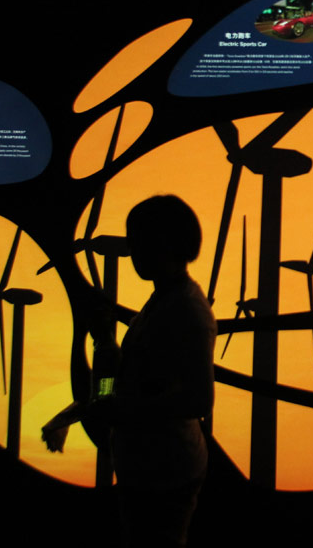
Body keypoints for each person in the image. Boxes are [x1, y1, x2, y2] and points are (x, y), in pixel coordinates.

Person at [43, 194, 216, 548]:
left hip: (165, 473)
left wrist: (123, 410)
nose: (130, 250)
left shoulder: (187, 312)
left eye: (138, 240)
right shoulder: (162, 303)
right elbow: (111, 391)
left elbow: (198, 400)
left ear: (165, 242)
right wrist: (104, 344)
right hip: (146, 468)